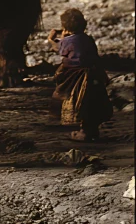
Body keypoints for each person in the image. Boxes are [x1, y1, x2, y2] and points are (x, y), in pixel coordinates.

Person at [48, 8, 113, 142]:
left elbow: (58, 49)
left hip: (75, 78)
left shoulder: (66, 42)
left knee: (78, 103)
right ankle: (92, 131)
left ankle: (83, 133)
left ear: (64, 27)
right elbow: (95, 57)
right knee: (93, 102)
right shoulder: (88, 39)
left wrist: (51, 39)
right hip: (93, 75)